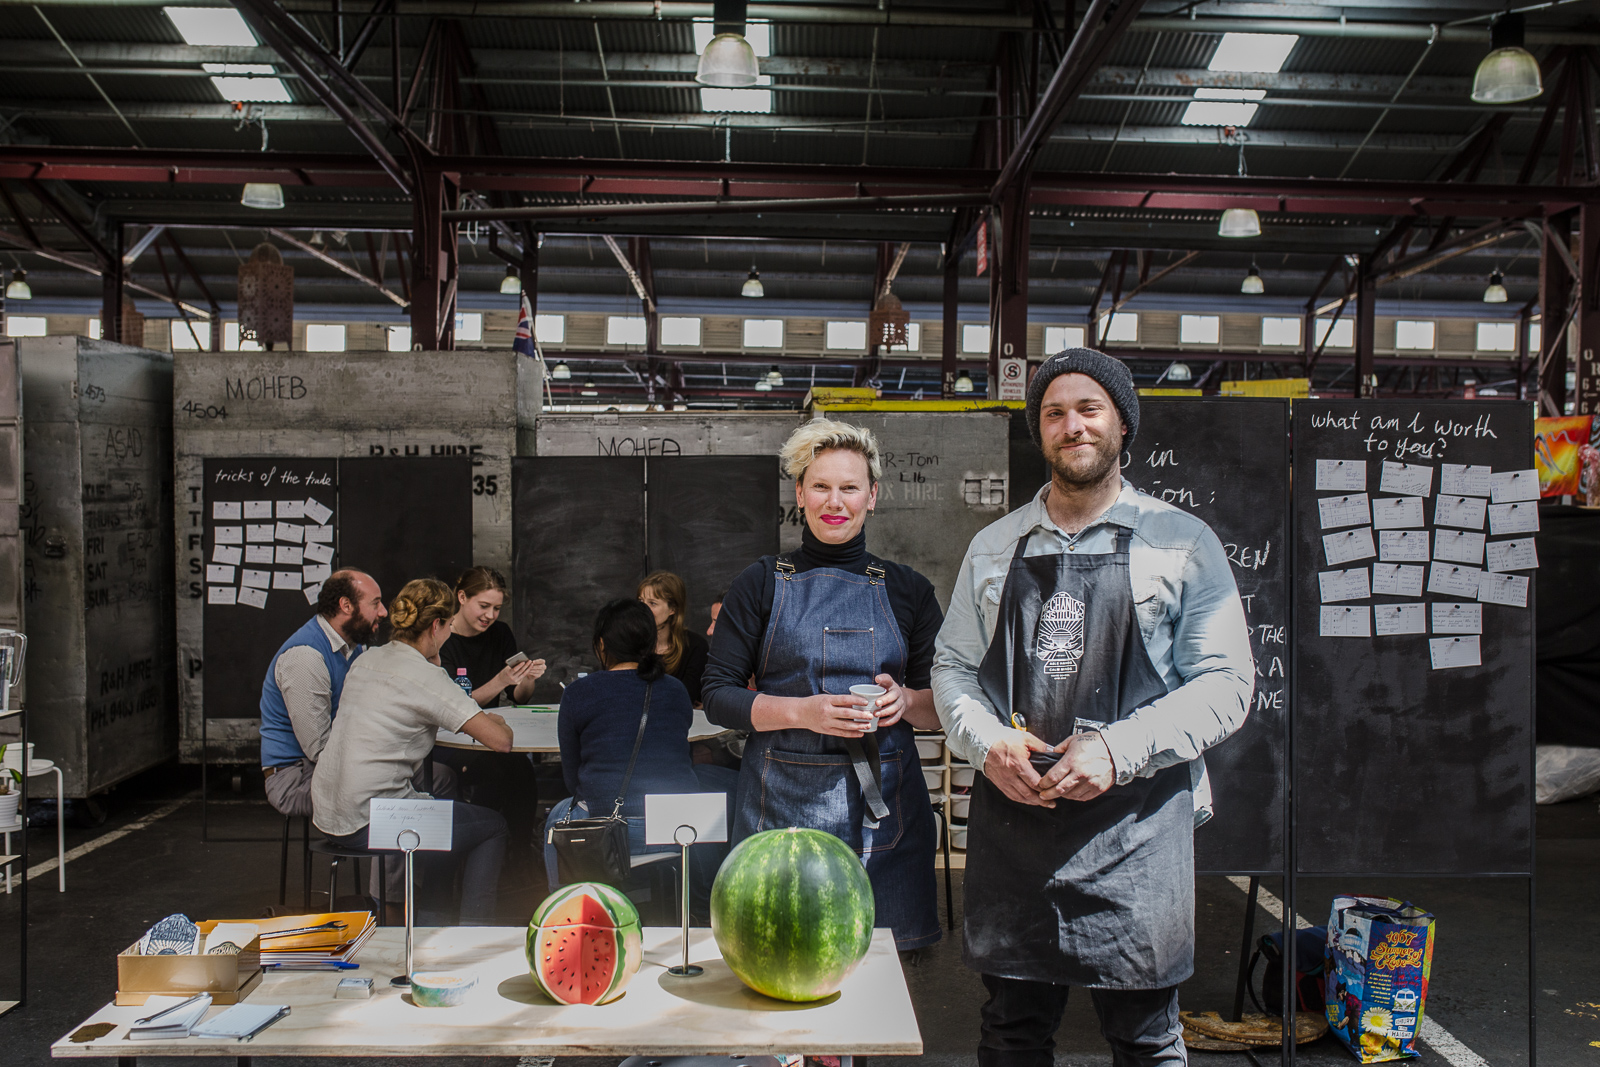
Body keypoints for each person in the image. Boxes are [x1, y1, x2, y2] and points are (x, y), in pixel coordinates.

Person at [931, 349, 1255, 1067]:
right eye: (1053, 412)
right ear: (1039, 431)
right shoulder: (992, 547)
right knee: (1011, 1034)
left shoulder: (1182, 542)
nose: (1071, 424)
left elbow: (1228, 681)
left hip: (1136, 832)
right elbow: (953, 667)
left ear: (1121, 424)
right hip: (1018, 823)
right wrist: (986, 744)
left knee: (1145, 1040)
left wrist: (1118, 747)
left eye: (1089, 408)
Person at [702, 418, 945, 953]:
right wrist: (803, 713)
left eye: (850, 487)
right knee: (788, 956)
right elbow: (718, 695)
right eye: (821, 486)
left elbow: (941, 706)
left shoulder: (909, 591)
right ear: (800, 494)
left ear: (872, 496)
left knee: (884, 969)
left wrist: (905, 701)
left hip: (884, 805)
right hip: (783, 803)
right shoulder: (761, 582)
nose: (835, 501)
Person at [313, 578, 515, 925]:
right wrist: (499, 719)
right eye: (449, 625)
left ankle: (429, 925)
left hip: (329, 811)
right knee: (492, 825)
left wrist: (434, 659)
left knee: (445, 818)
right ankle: (474, 933)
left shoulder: (369, 658)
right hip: (372, 819)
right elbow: (500, 741)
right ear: (437, 625)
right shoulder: (425, 678)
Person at [543, 599, 736, 906]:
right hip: (679, 829)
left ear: (601, 645)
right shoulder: (674, 690)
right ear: (650, 644)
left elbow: (572, 779)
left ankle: (568, 913)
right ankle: (695, 911)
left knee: (558, 815)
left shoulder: (579, 693)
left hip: (610, 831)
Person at [259, 570, 384, 817]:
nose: (383, 612)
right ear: (346, 606)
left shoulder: (352, 647)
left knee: (438, 776)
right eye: (376, 603)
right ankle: (390, 854)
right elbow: (319, 750)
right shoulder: (306, 657)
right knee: (394, 796)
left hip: (329, 766)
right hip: (295, 776)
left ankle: (402, 855)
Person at [439, 567, 546, 706]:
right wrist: (501, 681)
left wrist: (528, 679)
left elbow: (519, 697)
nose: (490, 615)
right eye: (484, 606)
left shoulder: (500, 632)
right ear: (462, 597)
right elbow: (455, 705)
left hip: (490, 720)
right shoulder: (441, 638)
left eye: (496, 608)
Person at [638, 571, 710, 705]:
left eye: (652, 603)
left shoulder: (695, 646)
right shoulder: (632, 643)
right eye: (641, 601)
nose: (643, 609)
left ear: (673, 609)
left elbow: (685, 696)